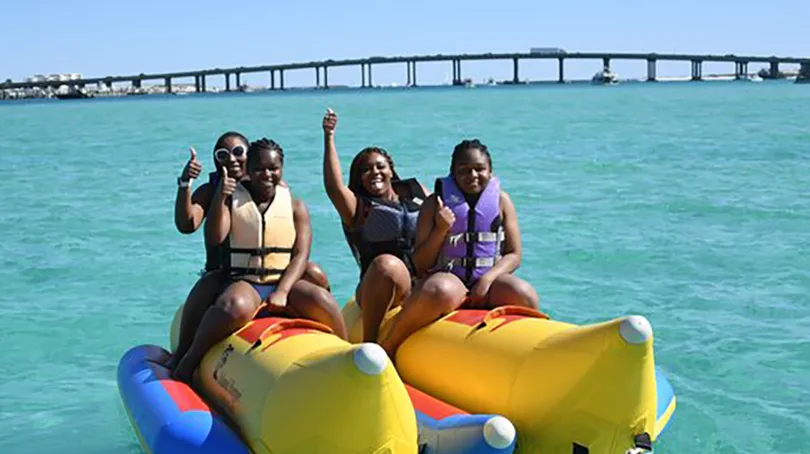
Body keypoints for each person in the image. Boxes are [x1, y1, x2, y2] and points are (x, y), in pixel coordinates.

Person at [172, 138, 348, 383]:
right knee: (232, 307)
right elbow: (212, 235)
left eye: (273, 169)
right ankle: (188, 360)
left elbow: (300, 254)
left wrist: (284, 291)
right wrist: (211, 193)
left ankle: (350, 355)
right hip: (241, 278)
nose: (266, 174)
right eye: (223, 154)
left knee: (323, 299)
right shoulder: (225, 196)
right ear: (250, 169)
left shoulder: (293, 204)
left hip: (281, 279)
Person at [378, 139, 540, 358]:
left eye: (479, 169)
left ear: (490, 171)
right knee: (438, 290)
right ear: (452, 173)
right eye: (464, 170)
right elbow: (420, 263)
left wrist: (487, 279)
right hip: (449, 279)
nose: (472, 175)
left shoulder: (502, 201)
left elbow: (514, 254)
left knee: (524, 294)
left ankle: (532, 353)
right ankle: (389, 347)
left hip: (489, 279)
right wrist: (441, 229)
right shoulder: (434, 204)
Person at [322, 108, 428, 342]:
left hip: (419, 282)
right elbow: (334, 187)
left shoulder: (416, 193)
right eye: (366, 170)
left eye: (380, 166)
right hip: (378, 283)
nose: (374, 172)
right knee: (386, 265)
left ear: (391, 169)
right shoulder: (358, 207)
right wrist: (329, 137)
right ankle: (371, 343)